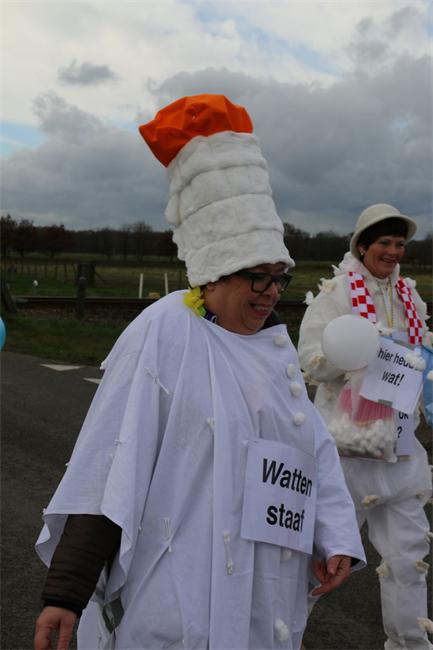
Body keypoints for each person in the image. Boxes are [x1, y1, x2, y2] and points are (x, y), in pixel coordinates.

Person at [34, 95, 365, 650]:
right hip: (181, 596)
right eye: (257, 277)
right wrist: (66, 593)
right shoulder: (164, 332)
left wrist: (335, 537)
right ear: (214, 273)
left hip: (264, 595)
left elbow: (310, 453)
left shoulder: (273, 349)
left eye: (279, 277)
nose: (271, 292)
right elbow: (110, 464)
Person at [298, 203, 433, 650]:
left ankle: (410, 644)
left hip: (400, 449)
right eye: (384, 243)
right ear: (362, 246)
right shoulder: (336, 293)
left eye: (400, 244)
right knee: (319, 557)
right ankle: (279, 637)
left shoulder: (410, 298)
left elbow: (420, 359)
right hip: (345, 453)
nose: (393, 252)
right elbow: (309, 361)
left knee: (408, 559)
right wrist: (356, 356)